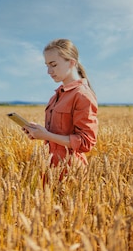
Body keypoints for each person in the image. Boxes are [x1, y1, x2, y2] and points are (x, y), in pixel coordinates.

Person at [23, 38, 98, 184]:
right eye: (47, 66)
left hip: (71, 174)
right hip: (50, 170)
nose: (49, 71)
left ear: (71, 62)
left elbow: (85, 142)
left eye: (53, 65)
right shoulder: (56, 96)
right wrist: (38, 133)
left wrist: (47, 135)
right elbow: (57, 134)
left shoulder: (82, 95)